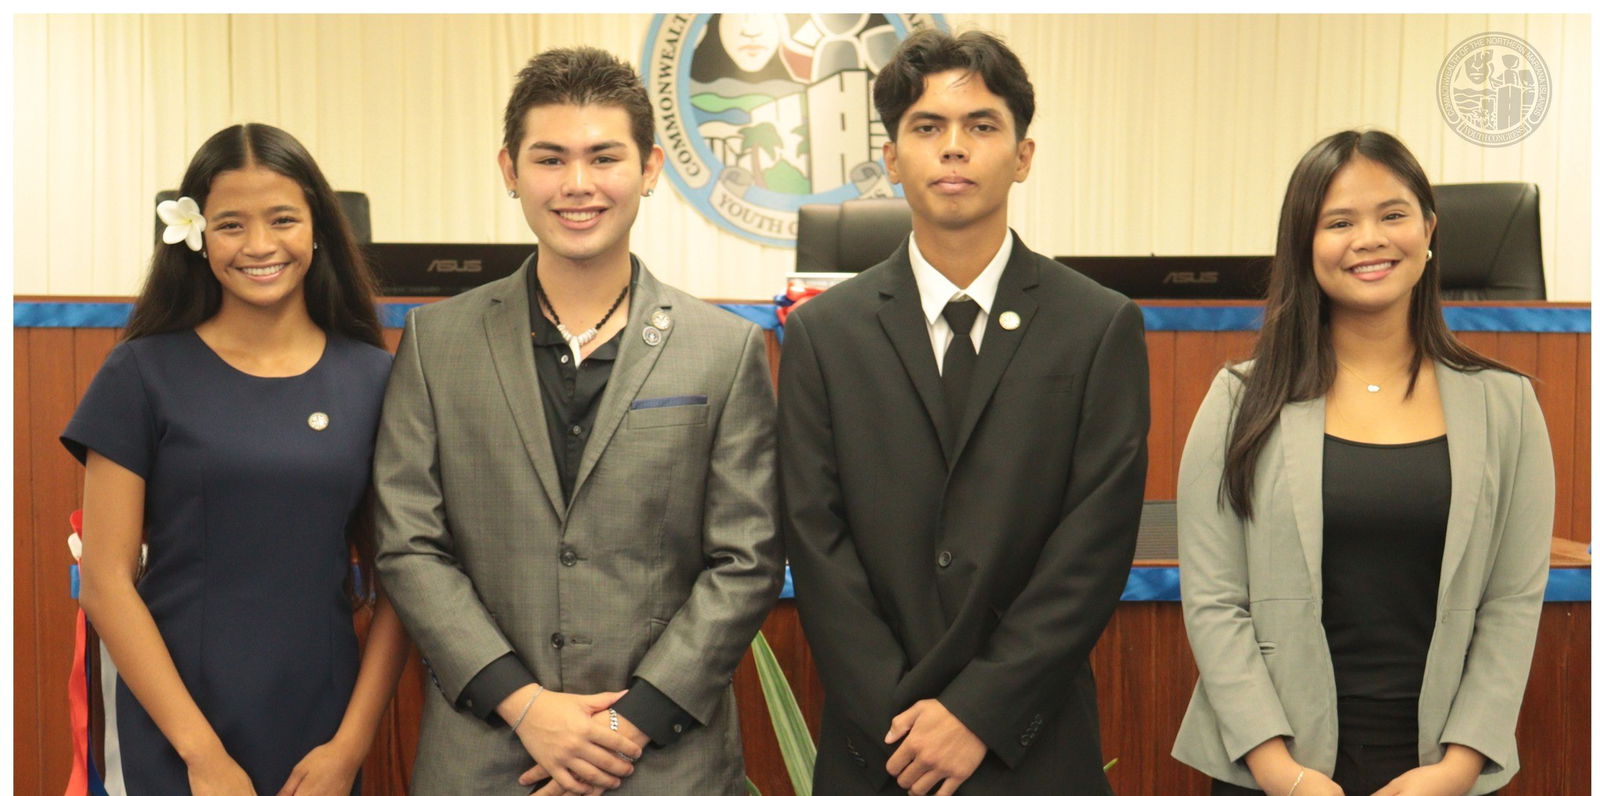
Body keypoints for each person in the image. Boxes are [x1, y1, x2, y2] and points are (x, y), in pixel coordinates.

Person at [372, 47, 783, 795]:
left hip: (664, 761)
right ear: (510, 170)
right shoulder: (436, 342)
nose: (577, 184)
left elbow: (747, 559)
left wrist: (629, 724)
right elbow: (408, 544)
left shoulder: (722, 351)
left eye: (604, 157)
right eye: (550, 158)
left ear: (651, 169)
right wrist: (526, 706)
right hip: (486, 756)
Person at [778, 29, 1149, 796]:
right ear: (890, 158)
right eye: (927, 127)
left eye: (982, 126)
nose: (955, 149)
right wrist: (907, 718)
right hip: (878, 753)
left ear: (1023, 155)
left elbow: (1094, 545)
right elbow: (816, 539)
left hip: (1032, 746)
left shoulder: (1097, 325)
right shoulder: (824, 332)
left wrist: (978, 712)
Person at [1171, 130, 1553, 796]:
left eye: (1393, 214)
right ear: (1304, 246)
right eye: (1339, 221)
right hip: (1274, 768)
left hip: (1439, 768)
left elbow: (1511, 604)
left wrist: (1457, 769)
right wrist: (1283, 774)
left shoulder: (1506, 406)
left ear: (1429, 229)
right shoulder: (1240, 400)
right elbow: (1213, 601)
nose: (1369, 238)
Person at [63, 123, 411, 795]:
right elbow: (105, 580)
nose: (259, 245)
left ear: (317, 229)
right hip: (173, 726)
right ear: (195, 235)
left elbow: (404, 580)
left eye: (282, 219)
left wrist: (351, 744)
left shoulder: (375, 380)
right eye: (230, 224)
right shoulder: (139, 373)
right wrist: (202, 756)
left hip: (320, 726)